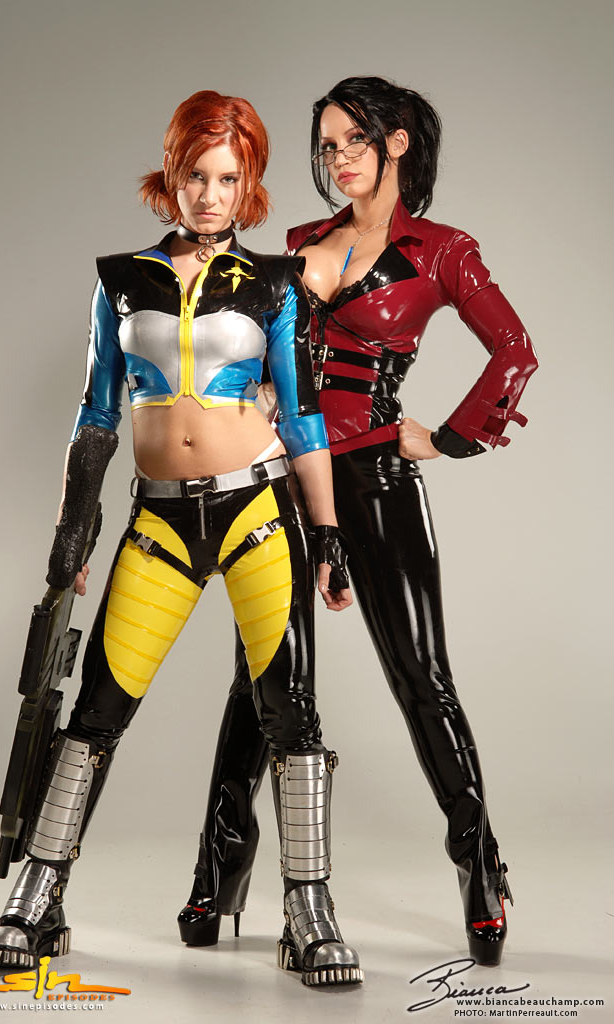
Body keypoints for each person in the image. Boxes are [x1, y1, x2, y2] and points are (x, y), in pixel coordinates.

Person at [0, 90, 364, 988]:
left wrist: (328, 533)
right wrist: (74, 529)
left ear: (249, 181)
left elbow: (303, 417)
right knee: (97, 708)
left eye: (228, 178)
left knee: (289, 710)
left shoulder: (274, 284)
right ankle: (38, 892)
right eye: (196, 175)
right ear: (172, 173)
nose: (210, 195)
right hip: (159, 518)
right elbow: (95, 415)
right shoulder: (122, 278)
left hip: (257, 510)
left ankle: (308, 908)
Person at [177, 76, 538, 968]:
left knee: (420, 677)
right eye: (326, 145)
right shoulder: (299, 242)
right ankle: (219, 869)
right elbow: (261, 353)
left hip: (376, 478)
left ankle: (479, 869)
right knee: (259, 679)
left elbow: (514, 350)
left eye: (353, 141)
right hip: (283, 478)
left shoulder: (442, 251)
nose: (336, 158)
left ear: (397, 143)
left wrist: (449, 438)